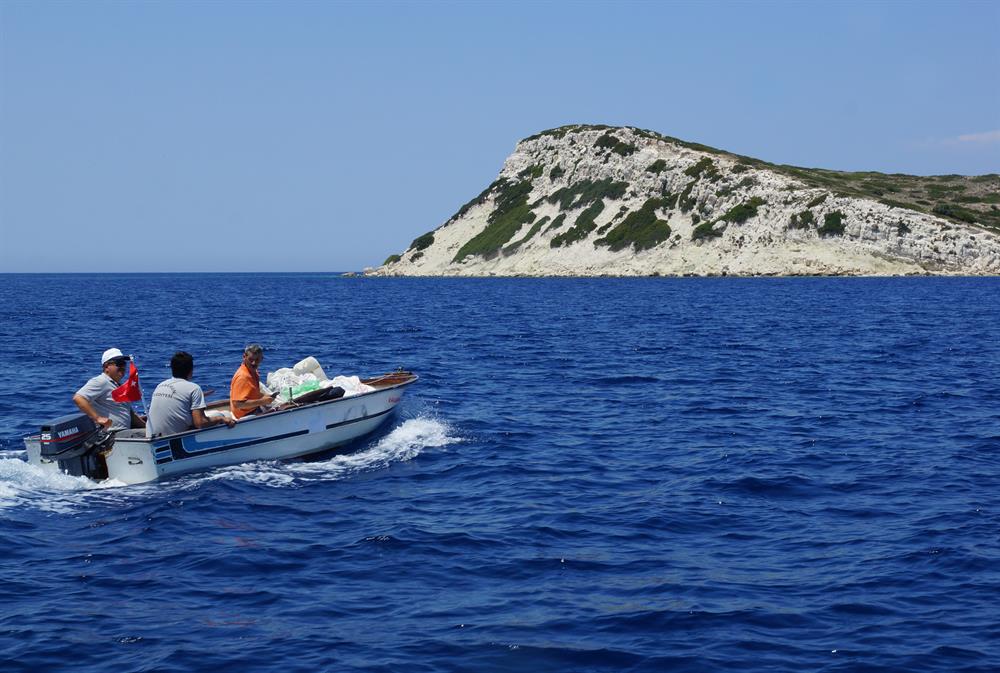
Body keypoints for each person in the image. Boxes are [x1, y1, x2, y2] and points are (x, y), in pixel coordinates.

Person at [147, 351, 236, 437]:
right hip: (173, 439)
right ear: (191, 370)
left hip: (151, 435)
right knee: (222, 414)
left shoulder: (160, 385)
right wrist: (220, 419)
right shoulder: (194, 388)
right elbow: (200, 423)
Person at [73, 348, 146, 431]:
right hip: (112, 434)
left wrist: (147, 428)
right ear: (106, 366)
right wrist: (98, 418)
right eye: (119, 363)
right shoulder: (101, 381)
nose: (122, 367)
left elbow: (130, 414)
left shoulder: (118, 386)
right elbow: (78, 398)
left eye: (124, 364)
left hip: (125, 432)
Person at [230, 343, 274, 419]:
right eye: (251, 359)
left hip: (253, 409)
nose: (254, 363)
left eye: (257, 360)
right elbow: (237, 404)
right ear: (244, 357)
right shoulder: (243, 377)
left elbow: (252, 393)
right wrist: (263, 401)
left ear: (262, 359)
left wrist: (264, 397)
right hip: (245, 415)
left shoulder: (253, 371)